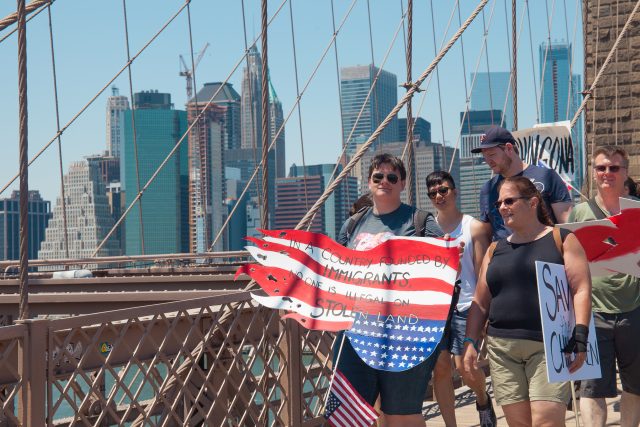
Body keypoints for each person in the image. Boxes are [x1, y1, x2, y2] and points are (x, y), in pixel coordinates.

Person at [463, 176, 592, 426]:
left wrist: (581, 336)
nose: (502, 207)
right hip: (502, 349)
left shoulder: (562, 239)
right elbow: (480, 301)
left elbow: (581, 289)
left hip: (548, 346)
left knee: (546, 422)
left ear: (533, 202)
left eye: (509, 201)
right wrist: (470, 341)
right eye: (499, 203)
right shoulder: (494, 249)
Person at [335, 153, 444, 427]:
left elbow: (444, 266)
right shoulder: (352, 225)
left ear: (403, 183)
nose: (385, 181)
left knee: (401, 416)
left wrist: (452, 253)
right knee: (347, 415)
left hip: (405, 335)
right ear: (369, 182)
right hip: (356, 334)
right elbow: (339, 270)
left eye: (392, 177)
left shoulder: (420, 221)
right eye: (378, 177)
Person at [568, 146, 640, 427]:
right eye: (601, 168)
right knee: (592, 387)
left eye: (614, 168)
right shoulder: (579, 213)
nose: (607, 173)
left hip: (634, 308)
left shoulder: (637, 211)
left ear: (625, 173)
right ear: (594, 173)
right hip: (593, 312)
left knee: (635, 385)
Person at [425, 171, 495, 427]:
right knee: (441, 369)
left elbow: (481, 273)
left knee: (465, 366)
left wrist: (484, 312)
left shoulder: (472, 227)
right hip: (438, 307)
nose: (439, 196)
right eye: (433, 193)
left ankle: (482, 398)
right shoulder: (427, 229)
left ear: (454, 191)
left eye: (443, 190)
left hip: (466, 305)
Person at [471, 125, 573, 240]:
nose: (488, 161)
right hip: (505, 255)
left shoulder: (546, 176)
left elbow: (566, 223)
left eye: (491, 155)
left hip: (544, 250)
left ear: (509, 148)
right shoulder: (487, 190)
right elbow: (485, 237)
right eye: (484, 157)